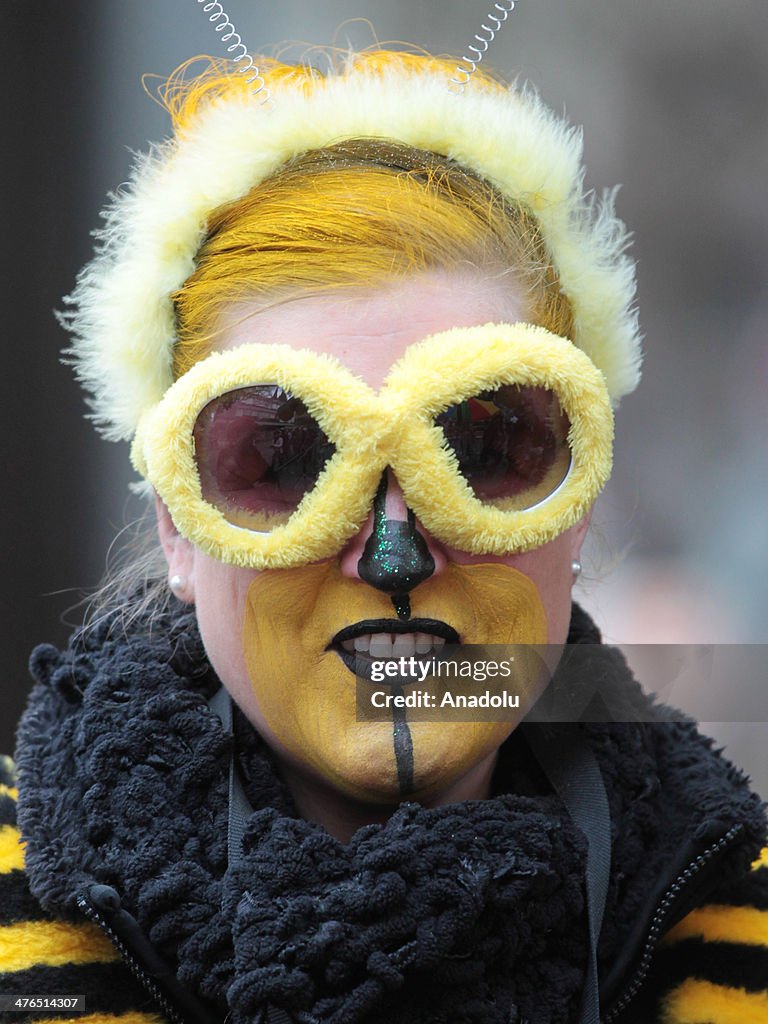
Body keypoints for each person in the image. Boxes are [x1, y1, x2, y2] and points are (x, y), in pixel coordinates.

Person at [1, 49, 766, 1024]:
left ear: (576, 497)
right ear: (178, 525)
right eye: (281, 460)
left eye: (487, 446)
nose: (393, 555)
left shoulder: (736, 919)